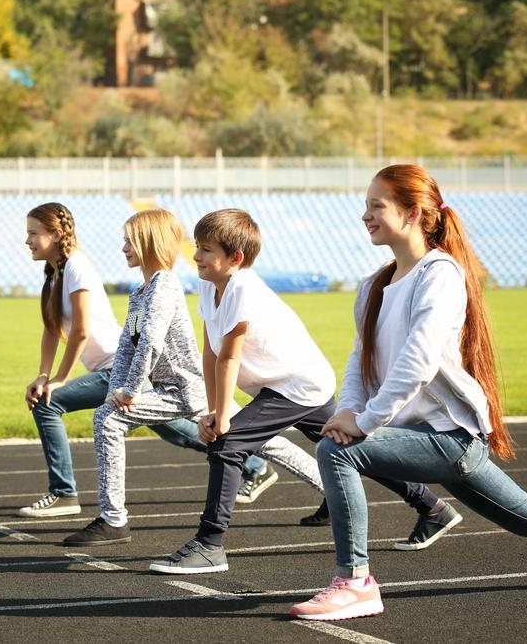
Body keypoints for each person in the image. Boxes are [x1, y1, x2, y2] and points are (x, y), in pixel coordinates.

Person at [290, 164, 527, 621]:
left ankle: (356, 583)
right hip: (421, 436)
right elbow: (360, 358)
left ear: (412, 214)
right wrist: (349, 408)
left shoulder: (440, 274)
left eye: (376, 205)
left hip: (452, 439)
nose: (365, 215)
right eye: (365, 205)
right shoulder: (373, 285)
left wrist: (364, 422)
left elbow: (419, 361)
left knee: (336, 451)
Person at [149, 209, 457, 574]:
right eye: (197, 247)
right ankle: (434, 508)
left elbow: (229, 358)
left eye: (206, 250)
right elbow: (211, 351)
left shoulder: (242, 289)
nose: (196, 256)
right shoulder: (207, 284)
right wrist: (213, 408)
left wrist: (222, 417)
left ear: (235, 258)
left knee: (227, 446)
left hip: (296, 385)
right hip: (292, 383)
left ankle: (209, 545)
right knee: (352, 446)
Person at [63, 208, 330, 546]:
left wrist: (129, 391)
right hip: (183, 387)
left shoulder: (164, 287)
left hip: (184, 390)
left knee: (108, 420)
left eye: (129, 241)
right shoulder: (140, 292)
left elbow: (151, 343)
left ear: (149, 243)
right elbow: (126, 344)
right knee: (266, 442)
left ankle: (114, 520)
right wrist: (116, 387)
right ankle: (331, 489)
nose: (123, 248)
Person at [20, 202, 274, 518]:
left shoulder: (76, 268)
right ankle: (253, 462)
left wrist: (59, 380)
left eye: (33, 233)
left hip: (116, 365)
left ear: (56, 235)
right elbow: (51, 327)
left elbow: (82, 330)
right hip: (118, 370)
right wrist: (43, 374)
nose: (27, 240)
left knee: (49, 404)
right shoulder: (54, 273)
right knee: (179, 430)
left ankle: (64, 493)